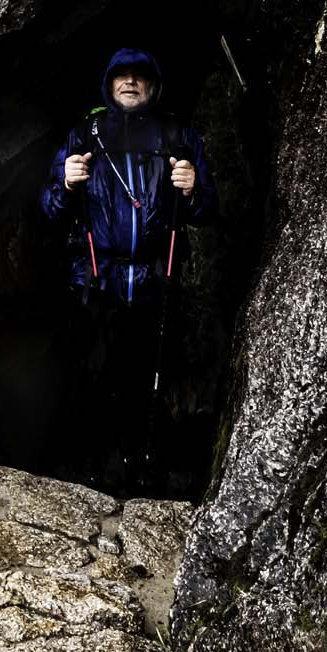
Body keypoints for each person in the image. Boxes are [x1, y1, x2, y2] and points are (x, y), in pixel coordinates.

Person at [39, 46, 218, 492]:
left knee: (151, 379)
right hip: (98, 282)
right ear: (109, 83)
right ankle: (94, 473)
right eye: (122, 75)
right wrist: (64, 181)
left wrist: (194, 189)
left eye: (140, 76)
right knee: (97, 378)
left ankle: (146, 475)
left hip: (158, 282)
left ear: (153, 86)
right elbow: (48, 210)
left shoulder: (177, 136)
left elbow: (209, 209)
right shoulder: (84, 136)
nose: (131, 82)